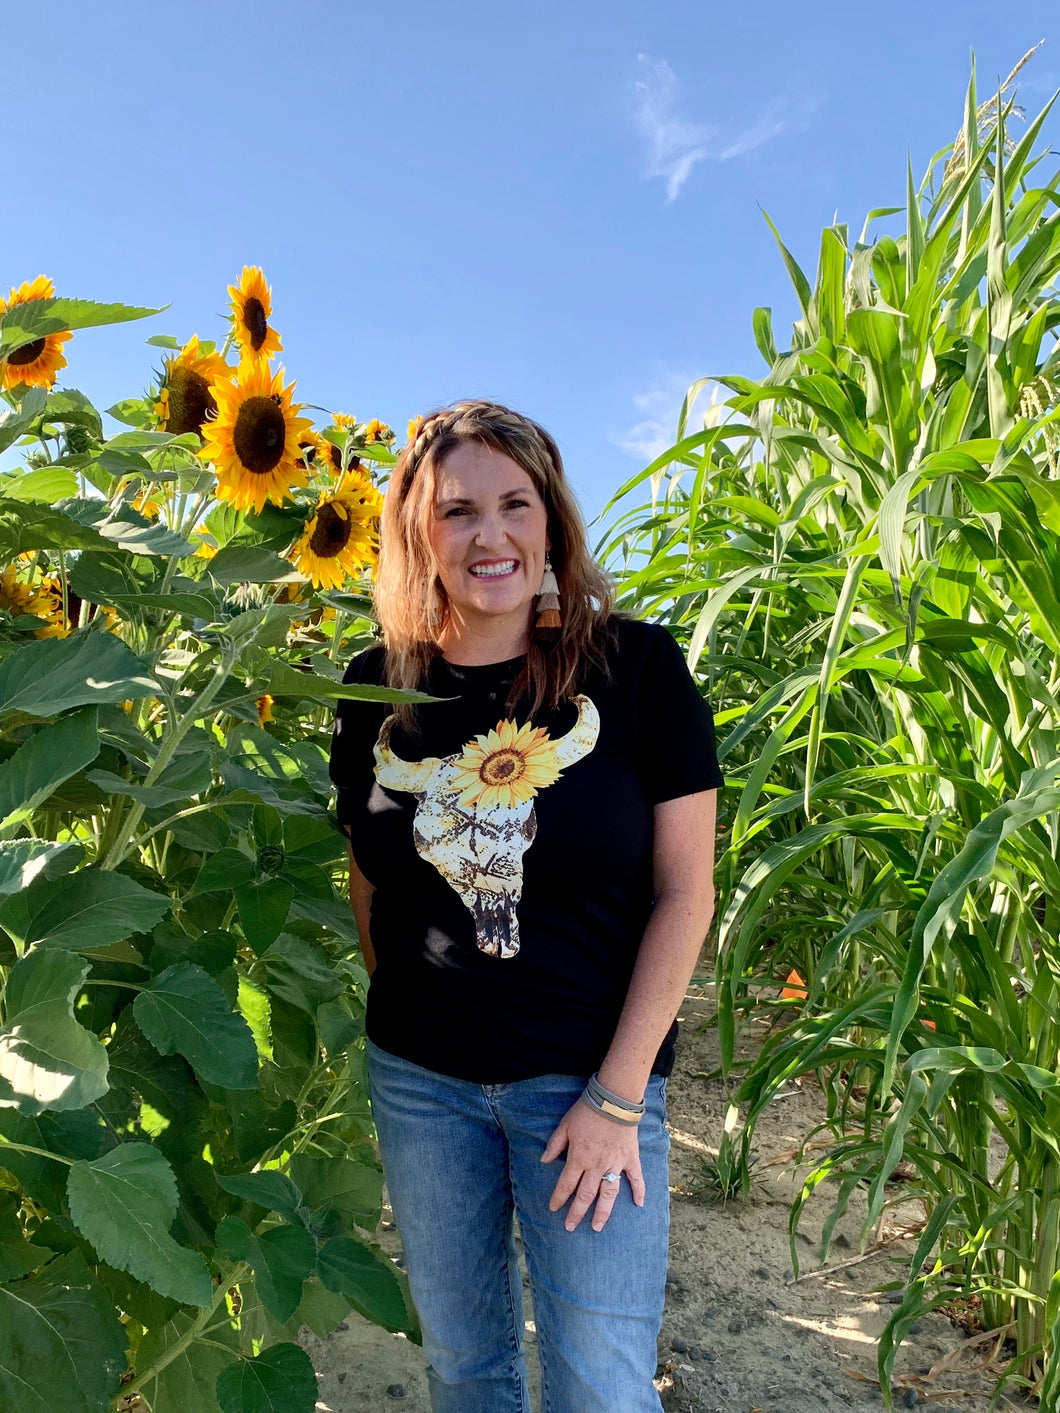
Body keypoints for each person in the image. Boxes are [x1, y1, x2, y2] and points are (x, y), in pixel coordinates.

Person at [329, 400, 723, 1413]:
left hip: (586, 1088)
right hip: (421, 1086)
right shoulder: (374, 689)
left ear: (551, 521)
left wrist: (617, 1098)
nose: (489, 536)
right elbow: (370, 873)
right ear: (420, 530)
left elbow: (686, 892)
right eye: (458, 511)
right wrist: (417, 1018)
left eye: (515, 505)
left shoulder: (636, 672)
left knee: (600, 1382)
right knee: (464, 1366)